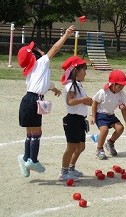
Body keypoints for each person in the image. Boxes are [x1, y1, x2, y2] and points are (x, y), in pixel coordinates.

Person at [17, 25, 75, 177]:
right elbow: (55, 48)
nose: (42, 50)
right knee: (36, 133)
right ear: (36, 55)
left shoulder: (32, 70)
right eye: (38, 50)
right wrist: (66, 35)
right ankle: (33, 160)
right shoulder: (41, 62)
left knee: (30, 133)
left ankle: (24, 159)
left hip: (27, 100)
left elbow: (43, 84)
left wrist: (53, 89)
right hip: (34, 100)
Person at [58, 56, 93, 181]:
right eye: (84, 69)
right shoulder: (71, 85)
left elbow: (82, 101)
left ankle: (71, 168)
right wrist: (83, 100)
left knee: (81, 147)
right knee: (71, 147)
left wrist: (88, 101)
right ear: (75, 71)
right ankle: (64, 172)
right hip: (72, 120)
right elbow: (70, 101)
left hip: (80, 120)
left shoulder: (78, 85)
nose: (85, 72)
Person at [91, 70, 126, 160]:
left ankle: (110, 143)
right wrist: (93, 116)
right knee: (104, 130)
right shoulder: (103, 92)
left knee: (120, 128)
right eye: (120, 86)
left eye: (123, 86)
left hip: (110, 115)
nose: (121, 88)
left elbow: (123, 108)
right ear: (113, 84)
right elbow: (94, 103)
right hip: (100, 114)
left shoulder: (121, 94)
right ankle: (99, 149)